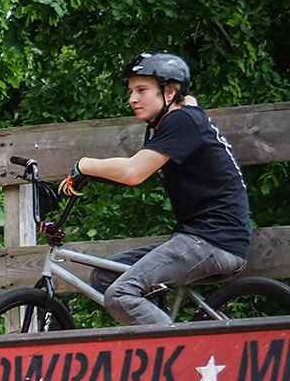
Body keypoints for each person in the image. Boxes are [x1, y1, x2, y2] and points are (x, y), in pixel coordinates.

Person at [57, 52, 251, 325]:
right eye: (130, 91)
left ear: (170, 92)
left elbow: (133, 172)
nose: (132, 99)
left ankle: (177, 356)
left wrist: (83, 166)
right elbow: (136, 169)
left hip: (215, 241)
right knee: (104, 276)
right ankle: (158, 327)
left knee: (121, 295)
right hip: (198, 237)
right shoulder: (178, 119)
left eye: (141, 90)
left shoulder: (182, 121)